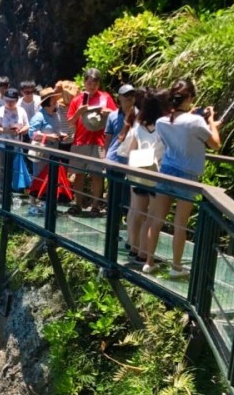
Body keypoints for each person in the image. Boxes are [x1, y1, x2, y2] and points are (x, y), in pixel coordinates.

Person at [141, 79, 221, 278]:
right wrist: (212, 122)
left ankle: (149, 263)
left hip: (167, 171)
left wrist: (196, 117)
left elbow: (179, 126)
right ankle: (176, 267)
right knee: (180, 224)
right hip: (188, 176)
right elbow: (215, 144)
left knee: (157, 219)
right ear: (189, 98)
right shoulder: (196, 121)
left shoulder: (161, 121)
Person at [118, 89, 169, 267]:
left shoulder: (139, 125)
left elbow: (132, 148)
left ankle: (134, 247)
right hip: (156, 171)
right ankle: (144, 254)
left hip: (138, 168)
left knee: (136, 211)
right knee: (152, 216)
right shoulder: (164, 126)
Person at [66, 68, 117, 216]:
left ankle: (95, 205)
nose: (92, 86)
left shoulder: (106, 97)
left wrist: (109, 113)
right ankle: (77, 204)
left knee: (97, 175)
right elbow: (70, 122)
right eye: (89, 82)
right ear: (84, 83)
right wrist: (79, 112)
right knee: (78, 174)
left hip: (100, 141)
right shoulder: (77, 99)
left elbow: (116, 116)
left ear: (99, 83)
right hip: (80, 140)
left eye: (95, 82)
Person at [26, 87, 73, 214]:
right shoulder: (39, 116)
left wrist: (61, 134)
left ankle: (45, 203)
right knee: (38, 176)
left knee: (50, 178)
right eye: (54, 99)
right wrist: (48, 136)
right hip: (42, 152)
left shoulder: (56, 115)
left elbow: (55, 130)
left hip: (54, 151)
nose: (56, 101)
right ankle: (32, 204)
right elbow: (32, 134)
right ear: (49, 101)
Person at [0, 87, 30, 192]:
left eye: (12, 101)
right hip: (1, 145)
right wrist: (6, 130)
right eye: (7, 101)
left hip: (16, 145)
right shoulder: (0, 111)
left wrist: (20, 131)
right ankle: (2, 192)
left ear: (17, 100)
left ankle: (10, 191)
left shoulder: (21, 111)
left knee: (14, 169)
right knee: (1, 169)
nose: (10, 103)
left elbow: (27, 125)